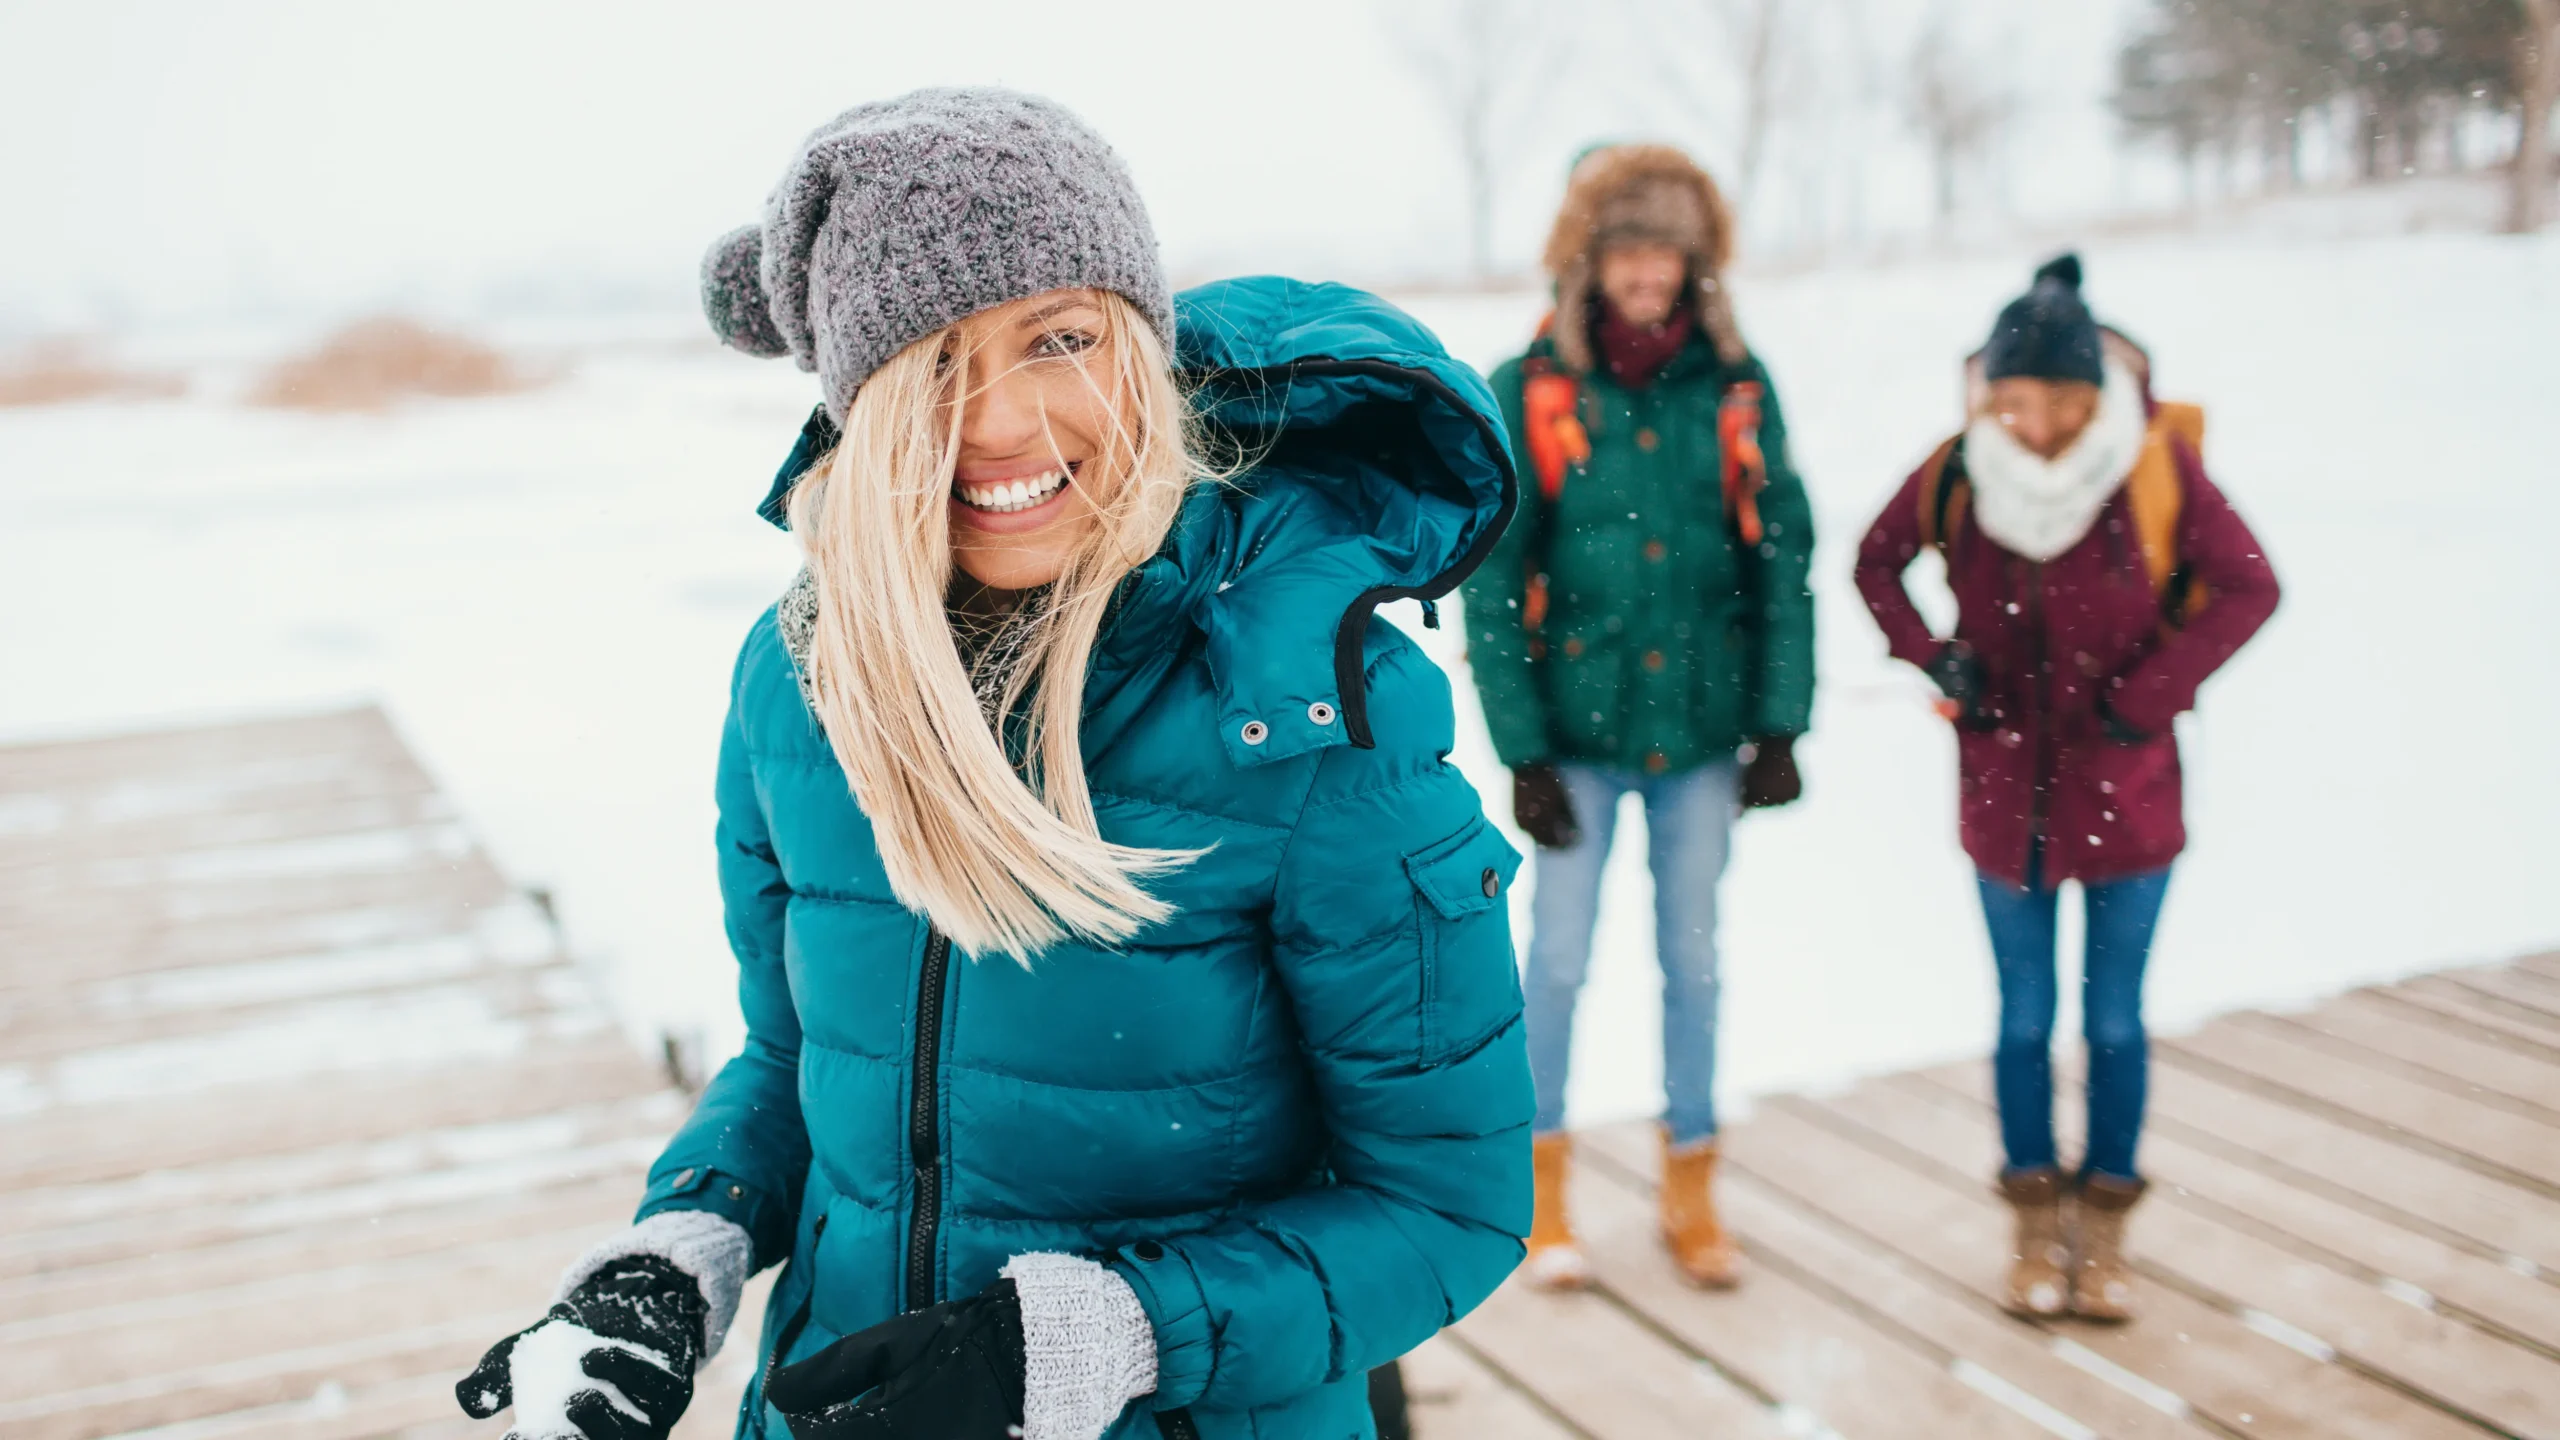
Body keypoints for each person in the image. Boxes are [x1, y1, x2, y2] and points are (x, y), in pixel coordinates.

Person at [451, 89, 1530, 1440]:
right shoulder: (801, 680)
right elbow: (804, 1059)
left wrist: (1106, 1341)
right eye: (935, 366)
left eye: (1061, 338)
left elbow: (1446, 1205)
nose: (1005, 421)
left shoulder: (1311, 709)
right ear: (866, 408)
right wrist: (682, 1251)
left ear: (1137, 344)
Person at [1854, 255, 2278, 1323]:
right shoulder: (1959, 469)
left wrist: (2149, 691)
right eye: (2003, 399)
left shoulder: (2151, 468)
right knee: (2022, 1021)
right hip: (2004, 800)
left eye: (2040, 401)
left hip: (2129, 796)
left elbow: (2248, 585)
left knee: (2116, 1025)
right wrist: (1932, 653)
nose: (2021, 422)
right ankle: (2034, 1228)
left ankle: (2108, 1235)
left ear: (2087, 396)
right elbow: (1874, 561)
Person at [1461, 144, 1815, 1293]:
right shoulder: (1535, 389)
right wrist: (1521, 752)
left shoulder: (1736, 387)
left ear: (1693, 263)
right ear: (1589, 262)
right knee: (1554, 964)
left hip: (1703, 739)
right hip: (1578, 739)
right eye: (1625, 250)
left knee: (1694, 965)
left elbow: (1782, 559)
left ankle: (1690, 1189)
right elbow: (1492, 574)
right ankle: (1542, 1194)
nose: (1646, 273)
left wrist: (1780, 724)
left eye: (1665, 250)